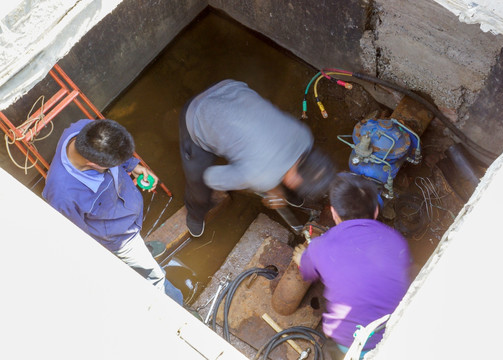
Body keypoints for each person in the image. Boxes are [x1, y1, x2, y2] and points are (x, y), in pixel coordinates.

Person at [42, 119, 183, 305]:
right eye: (113, 164)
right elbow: (80, 239)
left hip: (128, 216)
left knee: (139, 250)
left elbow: (117, 154)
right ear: (93, 163)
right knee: (155, 275)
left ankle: (140, 251)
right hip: (118, 239)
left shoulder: (87, 130)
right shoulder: (62, 195)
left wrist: (133, 166)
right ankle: (176, 307)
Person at [179, 79, 336, 237]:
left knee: (264, 166)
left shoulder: (305, 136)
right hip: (197, 115)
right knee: (198, 184)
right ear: (294, 180)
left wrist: (270, 185)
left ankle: (289, 194)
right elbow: (212, 177)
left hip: (229, 88)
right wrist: (262, 185)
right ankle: (195, 214)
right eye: (296, 185)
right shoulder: (261, 175)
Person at [293, 172, 411, 359]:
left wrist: (302, 258)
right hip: (400, 331)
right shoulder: (396, 240)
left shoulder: (321, 246)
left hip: (352, 342)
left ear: (333, 214)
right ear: (376, 212)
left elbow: (307, 272)